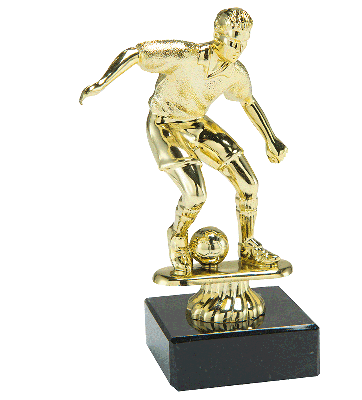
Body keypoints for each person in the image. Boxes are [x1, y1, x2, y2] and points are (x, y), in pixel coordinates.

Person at [80, 8, 288, 276]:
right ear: (218, 35)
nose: (238, 49)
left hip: (197, 124)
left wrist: (270, 138)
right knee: (195, 193)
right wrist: (101, 83)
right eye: (233, 41)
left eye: (243, 43)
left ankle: (247, 245)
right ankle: (178, 237)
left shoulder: (235, 72)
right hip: (164, 124)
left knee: (249, 183)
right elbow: (135, 53)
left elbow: (248, 101)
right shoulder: (185, 55)